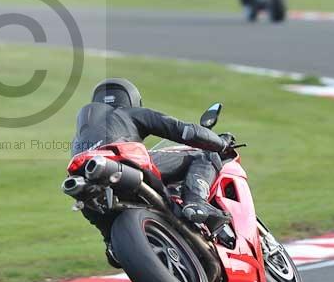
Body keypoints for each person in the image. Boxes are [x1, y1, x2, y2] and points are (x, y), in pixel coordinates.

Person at [71, 78, 236, 267]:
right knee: (205, 155)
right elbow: (185, 131)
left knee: (86, 198)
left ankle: (111, 243)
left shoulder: (78, 140)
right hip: (127, 163)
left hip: (86, 177)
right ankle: (196, 202)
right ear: (130, 99)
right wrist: (220, 143)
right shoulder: (128, 112)